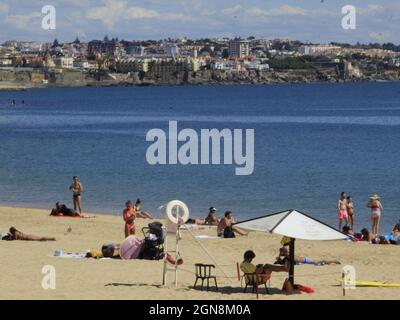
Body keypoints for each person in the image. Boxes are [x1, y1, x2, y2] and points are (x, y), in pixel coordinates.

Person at [275, 247, 340, 266]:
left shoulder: (288, 256)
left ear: (284, 252)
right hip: (305, 260)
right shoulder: (288, 256)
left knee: (319, 262)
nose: (280, 253)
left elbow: (283, 261)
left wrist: (279, 256)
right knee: (319, 263)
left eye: (281, 252)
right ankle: (330, 262)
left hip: (306, 260)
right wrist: (280, 255)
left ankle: (332, 261)